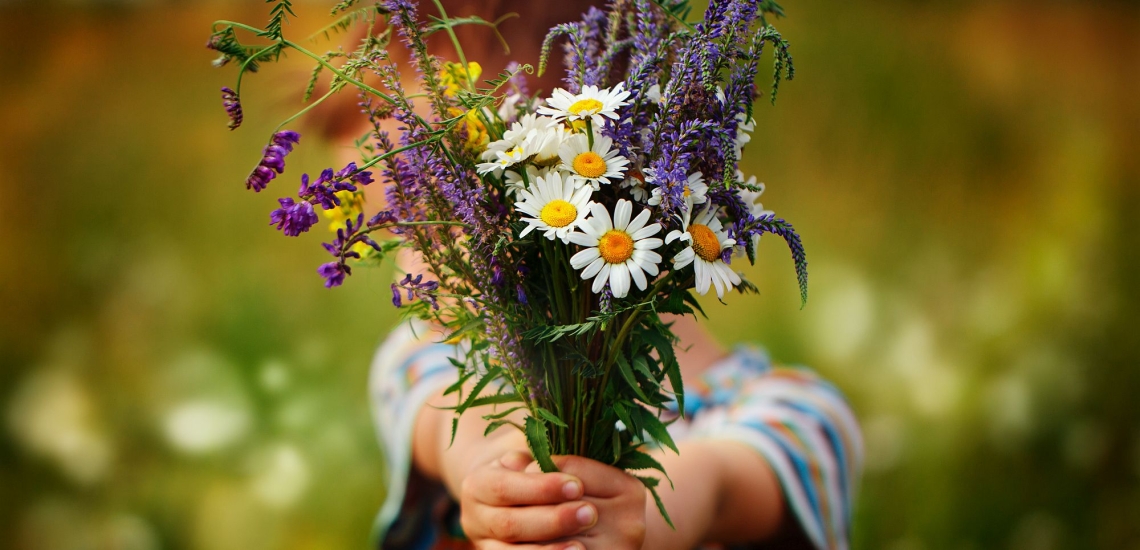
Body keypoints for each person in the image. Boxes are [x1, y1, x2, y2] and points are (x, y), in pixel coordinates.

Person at [314, 2, 863, 548]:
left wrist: (641, 516)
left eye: (443, 224)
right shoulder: (425, 362)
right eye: (401, 232)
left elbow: (722, 482)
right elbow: (458, 427)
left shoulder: (796, 416)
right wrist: (499, 480)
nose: (417, 266)